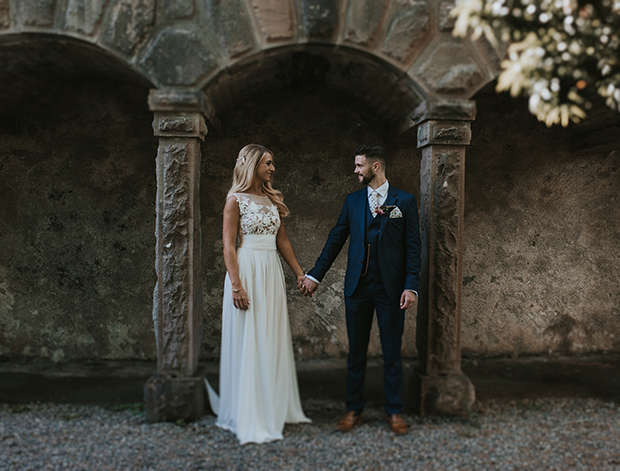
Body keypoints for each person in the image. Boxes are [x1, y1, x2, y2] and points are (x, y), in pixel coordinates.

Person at [301, 145, 421, 435]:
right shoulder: (353, 201)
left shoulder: (403, 202)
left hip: (391, 289)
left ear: (375, 166)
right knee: (356, 352)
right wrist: (315, 275)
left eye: (359, 166)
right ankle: (353, 409)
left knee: (392, 351)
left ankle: (394, 411)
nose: (355, 171)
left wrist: (411, 287)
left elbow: (413, 248)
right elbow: (336, 239)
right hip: (357, 287)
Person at [206, 144, 311, 445]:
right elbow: (228, 246)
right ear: (252, 165)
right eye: (268, 163)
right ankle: (249, 412)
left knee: (270, 335)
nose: (272, 169)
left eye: (273, 163)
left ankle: (272, 404)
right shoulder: (234, 200)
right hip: (247, 269)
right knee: (250, 336)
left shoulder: (272, 199)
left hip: (271, 271)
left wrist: (299, 273)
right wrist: (236, 284)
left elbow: (284, 241)